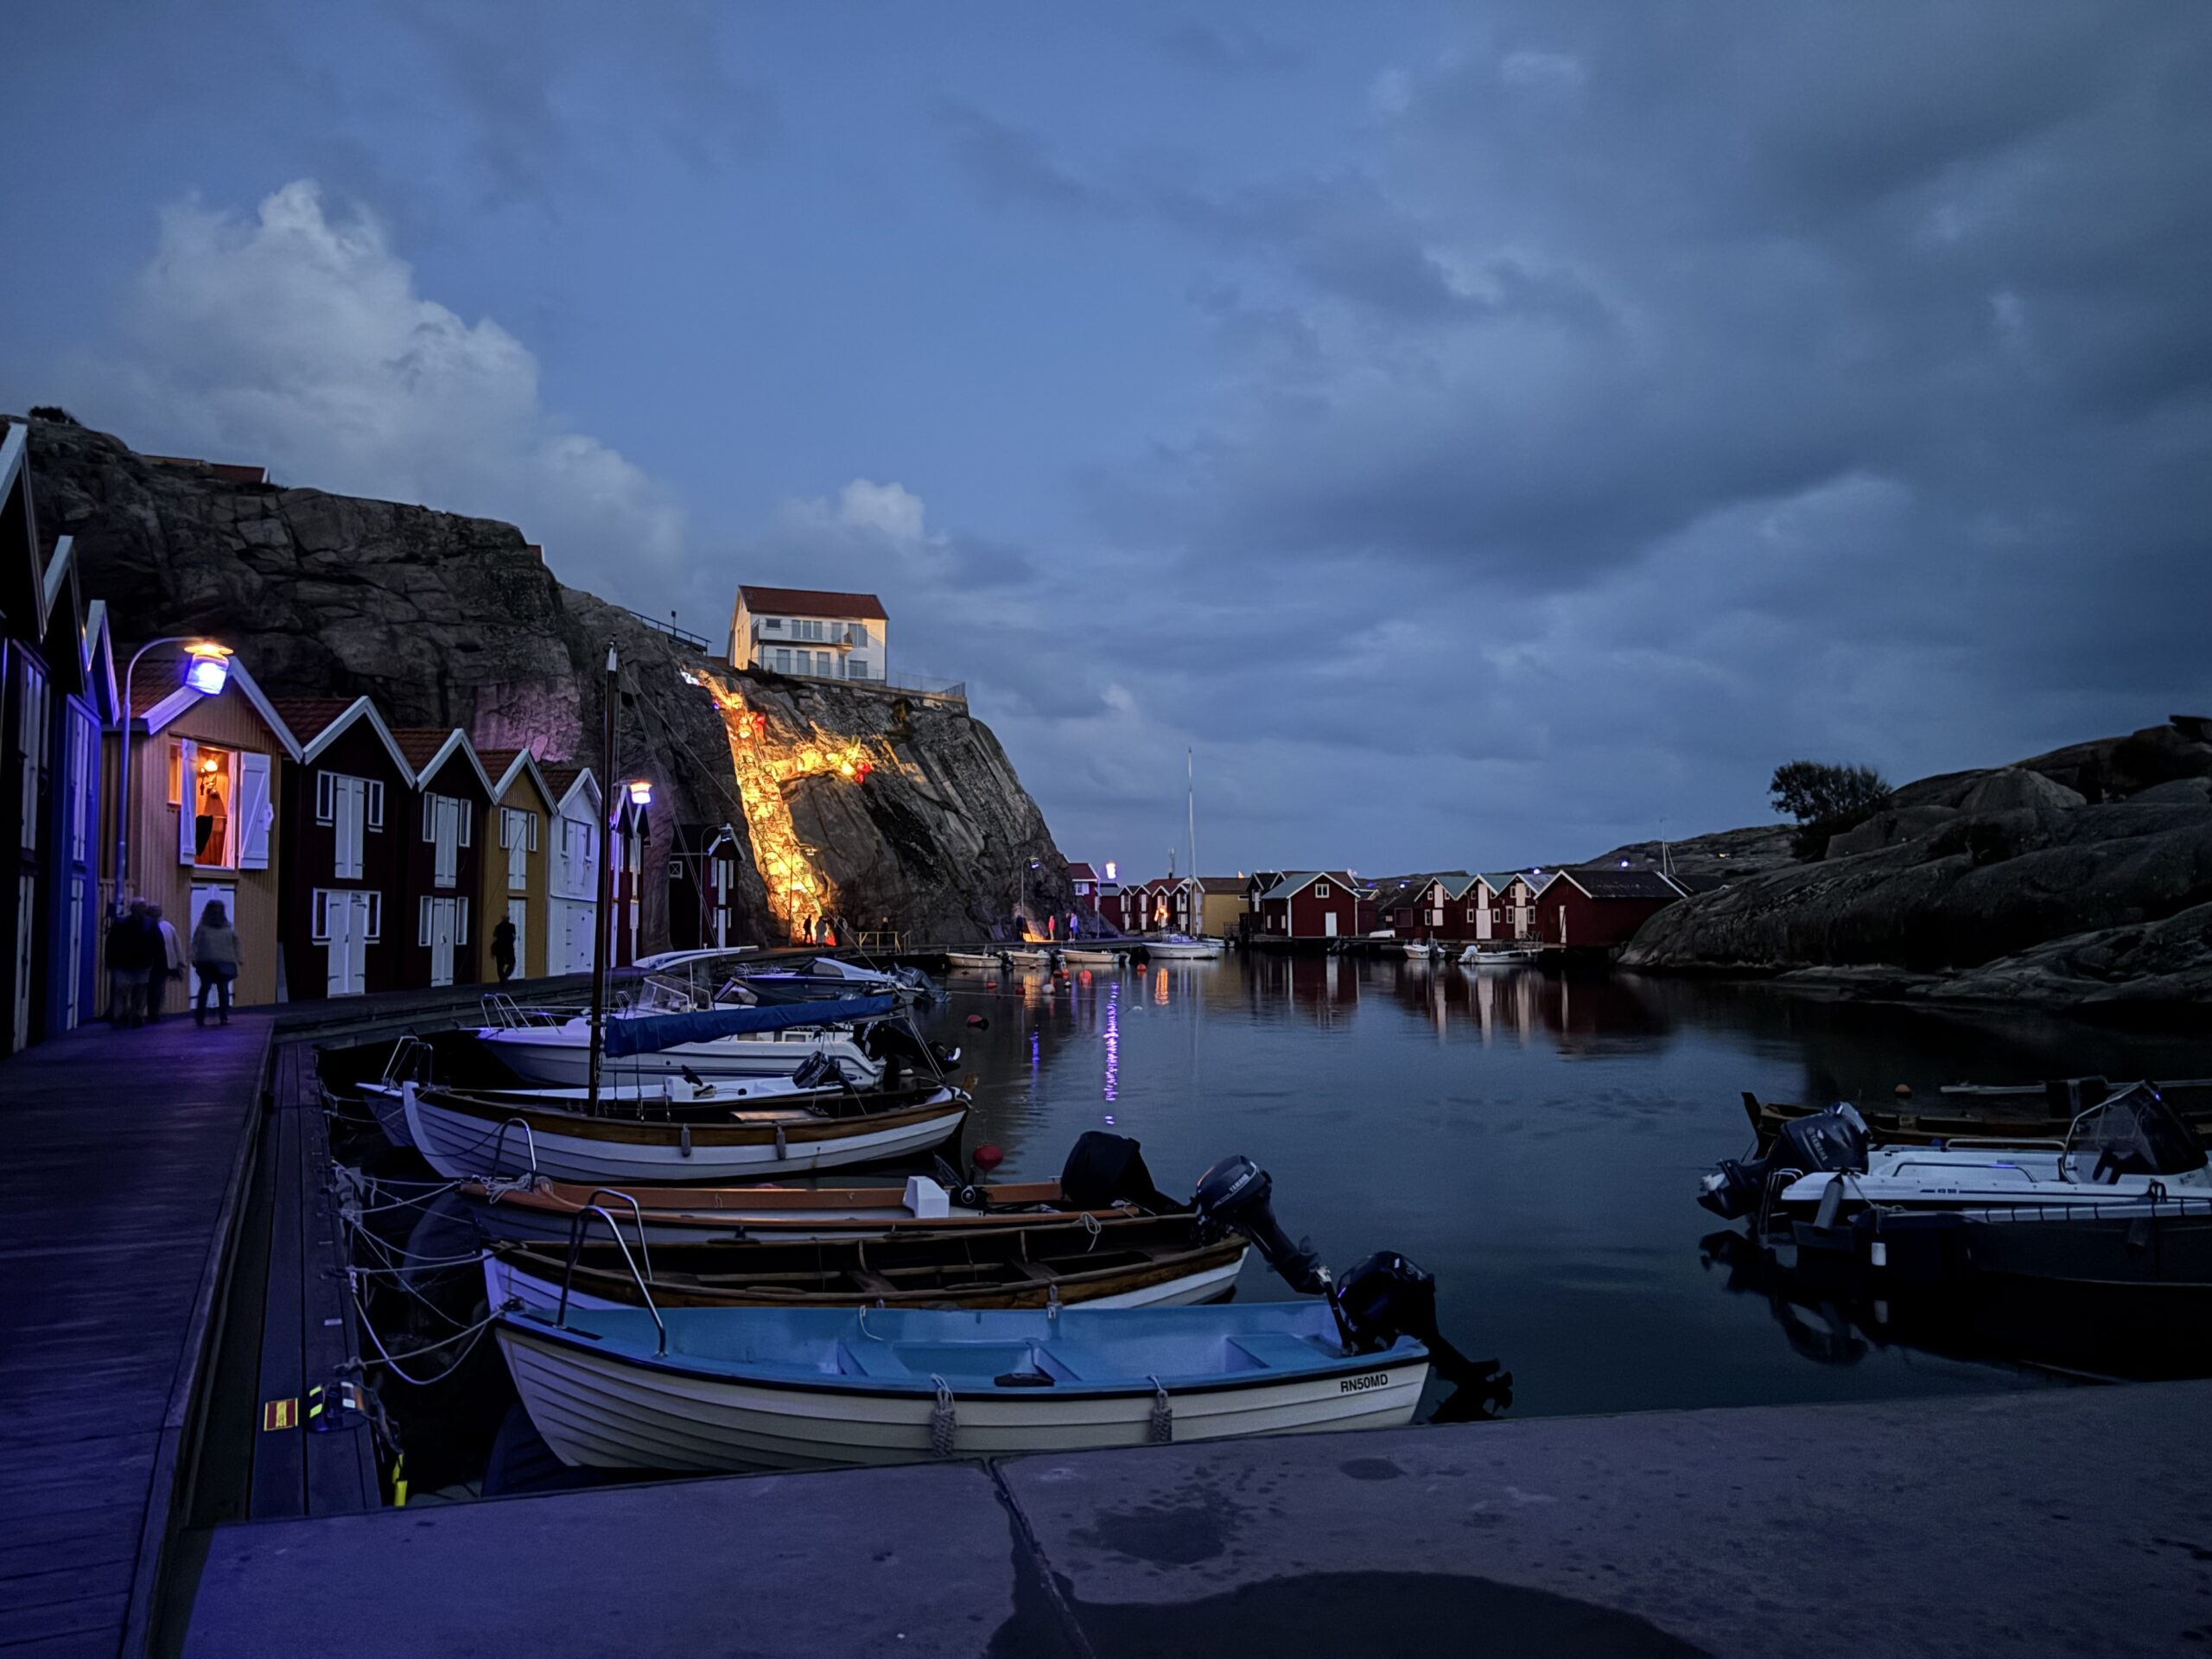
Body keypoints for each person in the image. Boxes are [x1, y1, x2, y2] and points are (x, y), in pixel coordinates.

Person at [190, 899, 242, 1027]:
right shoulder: (204, 928)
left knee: (222, 989)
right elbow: (195, 945)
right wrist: (193, 957)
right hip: (208, 963)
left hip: (222, 962)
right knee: (207, 989)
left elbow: (236, 943)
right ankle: (202, 1017)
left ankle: (223, 1016)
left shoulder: (227, 927)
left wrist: (239, 957)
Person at [105, 901, 156, 1027]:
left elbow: (111, 943)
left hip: (125, 963)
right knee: (139, 992)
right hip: (140, 963)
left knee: (123, 991)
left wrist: (110, 961)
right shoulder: (150, 925)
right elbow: (157, 944)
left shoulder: (121, 923)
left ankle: (122, 1016)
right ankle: (136, 1015)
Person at [146, 903, 184, 1023]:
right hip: (151, 962)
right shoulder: (165, 926)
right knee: (154, 988)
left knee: (157, 987)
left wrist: (180, 961)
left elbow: (176, 943)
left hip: (162, 962)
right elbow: (176, 944)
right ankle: (153, 1011)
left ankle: (155, 1011)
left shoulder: (166, 926)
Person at [492, 914, 518, 982]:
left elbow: (494, 939)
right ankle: (506, 976)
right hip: (509, 948)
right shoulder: (512, 926)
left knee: (500, 965)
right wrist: (511, 941)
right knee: (512, 963)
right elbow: (514, 936)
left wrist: (492, 951)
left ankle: (502, 979)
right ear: (508, 919)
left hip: (499, 948)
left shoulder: (498, 927)